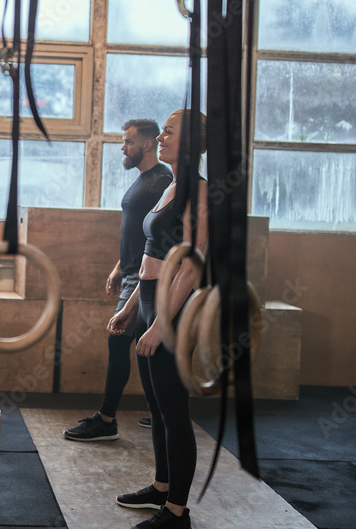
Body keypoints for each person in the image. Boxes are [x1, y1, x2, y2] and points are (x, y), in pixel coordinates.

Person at [106, 109, 208, 529]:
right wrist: (132, 308)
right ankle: (161, 488)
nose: (160, 138)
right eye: (162, 131)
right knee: (156, 404)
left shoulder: (198, 192)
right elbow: (151, 254)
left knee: (174, 410)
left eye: (168, 132)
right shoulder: (172, 187)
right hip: (148, 299)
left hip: (173, 307)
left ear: (192, 141)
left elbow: (193, 263)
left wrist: (162, 322)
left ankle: (177, 513)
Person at [63, 119, 172, 442]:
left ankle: (107, 419)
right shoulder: (144, 180)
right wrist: (117, 266)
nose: (123, 148)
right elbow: (139, 230)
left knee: (120, 339)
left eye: (128, 142)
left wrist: (136, 275)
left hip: (144, 277)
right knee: (135, 346)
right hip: (129, 273)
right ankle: (161, 412)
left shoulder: (163, 180)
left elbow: (160, 237)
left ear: (147, 144)